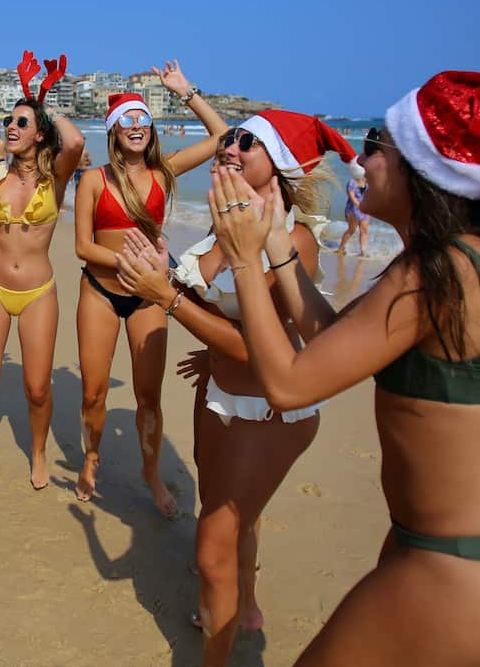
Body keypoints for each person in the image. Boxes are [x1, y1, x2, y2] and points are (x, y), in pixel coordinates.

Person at [200, 72, 480, 666]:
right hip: (477, 548)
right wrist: (275, 245)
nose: (361, 160)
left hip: (464, 567)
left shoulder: (436, 274)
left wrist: (242, 259)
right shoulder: (471, 258)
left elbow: (289, 386)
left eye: (377, 146)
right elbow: (331, 339)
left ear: (424, 170)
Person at [116, 109, 363, 666]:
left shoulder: (295, 240)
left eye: (246, 142)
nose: (228, 147)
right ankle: (244, 602)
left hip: (269, 410)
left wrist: (166, 297)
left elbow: (260, 349)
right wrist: (164, 272)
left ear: (278, 163)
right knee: (223, 505)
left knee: (211, 548)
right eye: (228, 138)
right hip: (218, 391)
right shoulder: (224, 227)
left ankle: (224, 625)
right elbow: (217, 307)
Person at [72, 62, 226, 511]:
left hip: (149, 297)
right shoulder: (94, 180)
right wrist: (129, 262)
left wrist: (185, 91)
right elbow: (83, 246)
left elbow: (222, 136)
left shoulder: (164, 172)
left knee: (149, 398)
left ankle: (151, 473)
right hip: (100, 293)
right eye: (127, 120)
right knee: (93, 392)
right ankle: (92, 458)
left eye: (143, 119)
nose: (136, 126)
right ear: (114, 130)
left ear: (151, 128)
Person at [0, 51, 85, 490]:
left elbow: (75, 142)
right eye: (9, 120)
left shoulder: (56, 177)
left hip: (37, 292)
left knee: (38, 389)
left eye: (22, 123)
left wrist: (42, 103)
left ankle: (39, 451)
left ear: (40, 134)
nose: (11, 126)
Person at [337, 175, 370, 256]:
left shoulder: (368, 182)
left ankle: (363, 251)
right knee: (352, 230)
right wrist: (360, 206)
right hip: (353, 209)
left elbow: (371, 195)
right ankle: (341, 248)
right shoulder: (352, 182)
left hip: (365, 210)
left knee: (364, 230)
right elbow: (352, 197)